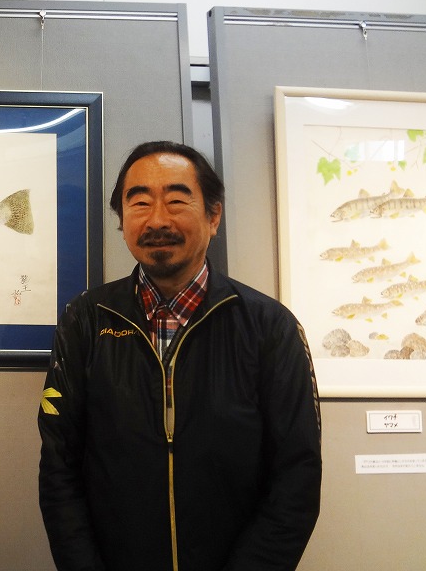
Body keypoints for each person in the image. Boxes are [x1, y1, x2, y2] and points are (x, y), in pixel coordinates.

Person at [38, 141, 321, 571]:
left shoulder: (269, 326)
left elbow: (297, 473)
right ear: (122, 220)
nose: (157, 220)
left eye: (175, 200)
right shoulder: (86, 320)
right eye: (139, 203)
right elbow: (59, 467)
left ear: (213, 216)